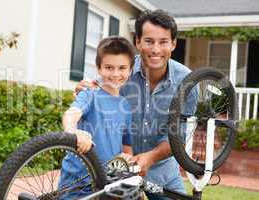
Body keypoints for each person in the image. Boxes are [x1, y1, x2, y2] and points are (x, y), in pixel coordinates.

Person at [75, 9, 198, 200]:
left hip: (163, 171)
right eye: (149, 41)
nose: (156, 49)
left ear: (173, 44)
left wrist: (150, 158)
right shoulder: (122, 72)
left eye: (163, 42)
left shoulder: (188, 82)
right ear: (137, 42)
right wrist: (85, 89)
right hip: (119, 168)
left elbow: (178, 137)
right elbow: (97, 92)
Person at [58, 36, 136, 199]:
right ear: (99, 69)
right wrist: (74, 132)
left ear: (130, 70)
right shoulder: (89, 94)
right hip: (77, 182)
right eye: (109, 67)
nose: (115, 74)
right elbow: (71, 114)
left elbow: (127, 148)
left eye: (122, 68)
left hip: (105, 184)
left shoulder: (126, 108)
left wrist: (127, 158)